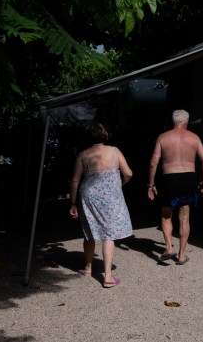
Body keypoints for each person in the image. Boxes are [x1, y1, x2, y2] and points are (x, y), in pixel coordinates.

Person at [69, 123, 134, 288]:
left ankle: (88, 268)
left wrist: (72, 203)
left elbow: (75, 181)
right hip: (112, 197)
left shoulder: (82, 155)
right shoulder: (114, 151)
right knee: (108, 234)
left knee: (89, 231)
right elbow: (128, 173)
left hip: (89, 196)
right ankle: (108, 276)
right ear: (104, 135)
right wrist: (119, 183)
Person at [147, 109, 203, 265]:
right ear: (186, 122)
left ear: (173, 121)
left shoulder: (163, 137)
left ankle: (168, 247)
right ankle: (181, 255)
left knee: (166, 214)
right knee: (184, 217)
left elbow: (153, 162)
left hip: (169, 178)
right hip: (188, 178)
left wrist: (151, 184)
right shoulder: (194, 138)